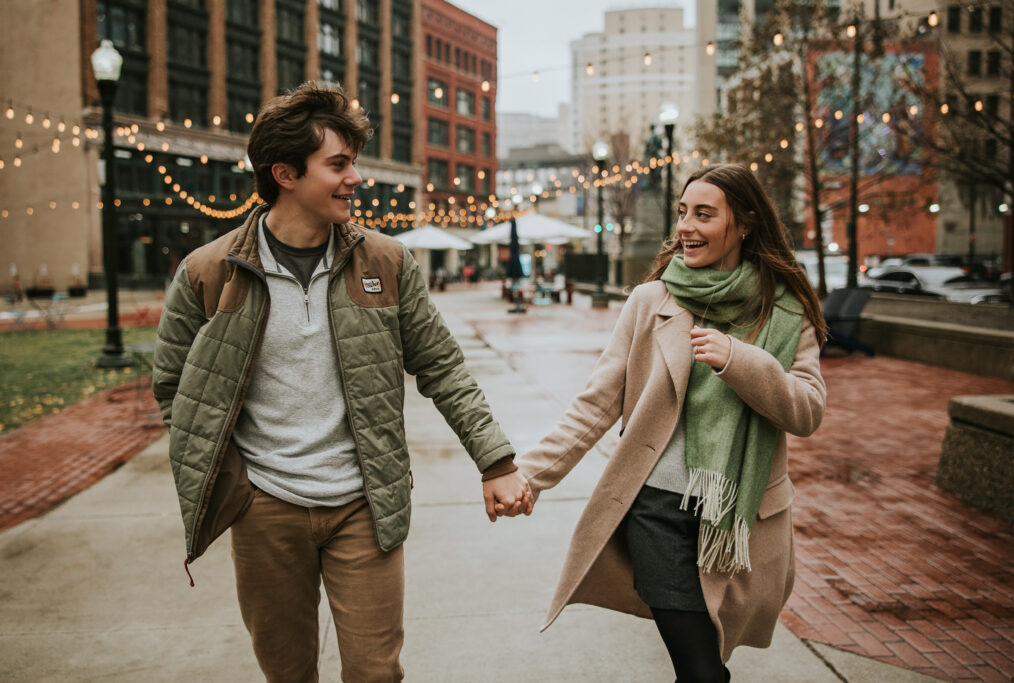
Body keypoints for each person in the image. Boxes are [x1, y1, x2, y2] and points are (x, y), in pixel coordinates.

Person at [152, 81, 532, 682]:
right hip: (265, 511)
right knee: (288, 673)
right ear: (285, 173)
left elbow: (443, 366)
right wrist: (233, 480)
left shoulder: (386, 262)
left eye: (353, 162)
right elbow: (173, 388)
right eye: (339, 164)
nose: (355, 177)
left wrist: (497, 462)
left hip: (365, 504)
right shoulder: (208, 272)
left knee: (376, 673)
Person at [502, 163, 827, 681]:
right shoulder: (652, 300)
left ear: (744, 224)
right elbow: (596, 404)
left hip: (735, 520)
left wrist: (738, 361)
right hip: (657, 514)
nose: (686, 227)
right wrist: (529, 476)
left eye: (704, 214)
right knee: (700, 670)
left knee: (707, 663)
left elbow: (807, 411)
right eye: (682, 213)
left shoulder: (785, 311)